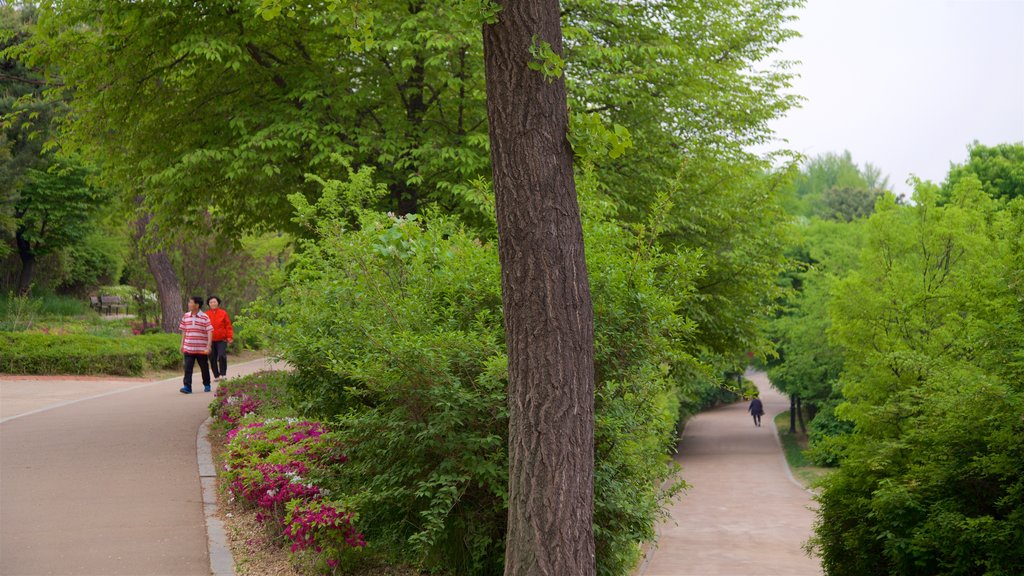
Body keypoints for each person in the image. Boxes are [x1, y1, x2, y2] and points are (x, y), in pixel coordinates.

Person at [179, 296, 213, 394]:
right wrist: (182, 344)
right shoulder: (186, 316)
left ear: (197, 305)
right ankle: (187, 387)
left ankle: (207, 384)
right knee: (188, 368)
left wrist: (208, 345)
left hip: (201, 349)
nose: (189, 304)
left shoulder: (205, 317)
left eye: (191, 303)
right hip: (188, 347)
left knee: (204, 368)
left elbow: (210, 331)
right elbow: (184, 331)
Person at [206, 296, 233, 381]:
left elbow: (228, 326)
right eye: (211, 302)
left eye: (214, 302)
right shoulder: (206, 314)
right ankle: (216, 376)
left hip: (222, 339)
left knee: (222, 355)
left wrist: (229, 337)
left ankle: (223, 374)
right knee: (212, 358)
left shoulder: (223, 313)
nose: (213, 303)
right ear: (209, 304)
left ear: (218, 303)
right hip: (210, 340)